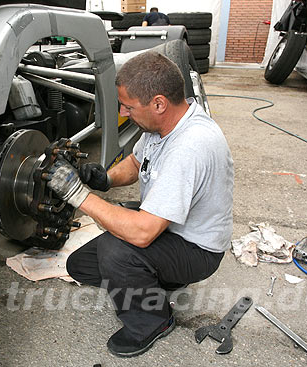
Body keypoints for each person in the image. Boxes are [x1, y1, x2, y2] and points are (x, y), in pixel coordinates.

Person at [47, 51, 234, 358]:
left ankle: (153, 321)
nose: (123, 111)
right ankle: (157, 281)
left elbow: (143, 233)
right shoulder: (163, 125)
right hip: (172, 227)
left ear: (159, 103)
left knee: (116, 251)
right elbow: (136, 163)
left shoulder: (190, 146)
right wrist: (104, 179)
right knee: (79, 265)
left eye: (128, 106)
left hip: (197, 248)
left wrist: (79, 195)